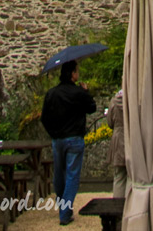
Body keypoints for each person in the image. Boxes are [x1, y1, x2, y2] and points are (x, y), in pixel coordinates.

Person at [41, 60, 96, 225]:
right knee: (72, 176)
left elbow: (44, 118)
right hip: (74, 138)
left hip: (58, 139)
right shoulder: (78, 93)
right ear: (73, 74)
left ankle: (63, 206)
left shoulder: (52, 93)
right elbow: (91, 107)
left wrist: (53, 133)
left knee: (59, 175)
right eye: (76, 71)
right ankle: (65, 213)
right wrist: (86, 92)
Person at [106, 89, 126, 197]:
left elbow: (109, 122)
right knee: (133, 176)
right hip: (132, 137)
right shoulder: (134, 99)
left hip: (118, 138)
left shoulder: (114, 102)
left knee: (119, 176)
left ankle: (117, 206)